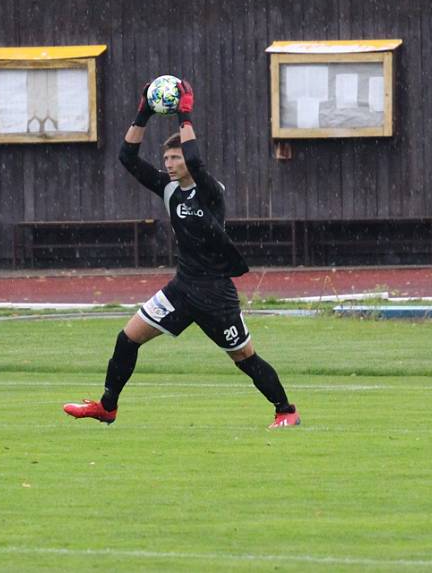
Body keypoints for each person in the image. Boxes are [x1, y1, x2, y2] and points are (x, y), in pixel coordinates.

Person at [64, 79, 300, 429]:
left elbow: (196, 159)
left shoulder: (210, 191)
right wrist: (143, 112)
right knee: (127, 338)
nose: (170, 163)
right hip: (182, 288)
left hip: (216, 294)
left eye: (175, 157)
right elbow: (126, 157)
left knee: (244, 358)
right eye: (166, 158)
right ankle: (107, 407)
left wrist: (184, 115)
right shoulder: (168, 188)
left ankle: (286, 411)